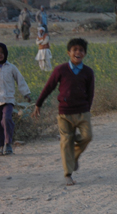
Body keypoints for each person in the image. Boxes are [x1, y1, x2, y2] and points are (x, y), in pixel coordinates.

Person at [32, 38, 95, 186]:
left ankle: (72, 158)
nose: (78, 52)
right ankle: (68, 174)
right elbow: (49, 87)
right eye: (75, 50)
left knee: (87, 136)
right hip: (64, 113)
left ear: (85, 53)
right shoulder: (60, 70)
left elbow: (90, 93)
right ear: (69, 52)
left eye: (81, 50)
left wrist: (88, 109)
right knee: (66, 141)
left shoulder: (88, 72)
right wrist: (38, 104)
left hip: (82, 112)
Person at [0, 43, 32, 155]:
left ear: (5, 53)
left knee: (6, 119)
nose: (0, 55)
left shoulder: (11, 67)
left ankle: (8, 144)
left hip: (8, 100)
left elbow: (20, 80)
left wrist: (26, 93)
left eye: (2, 52)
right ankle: (1, 145)